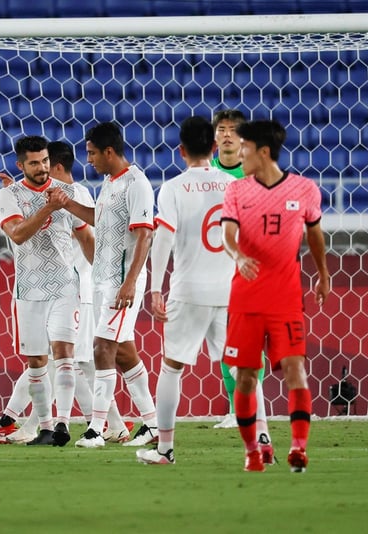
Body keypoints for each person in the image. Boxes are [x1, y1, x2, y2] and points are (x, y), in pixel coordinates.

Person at [0, 141, 131, 445]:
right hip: (28, 290)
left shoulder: (70, 194)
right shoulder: (10, 195)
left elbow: (87, 236)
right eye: (34, 163)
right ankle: (42, 425)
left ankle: (58, 425)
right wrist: (46, 206)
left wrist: (110, 278)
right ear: (21, 166)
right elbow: (17, 234)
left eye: (44, 161)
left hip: (70, 287)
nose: (41, 168)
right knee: (41, 362)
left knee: (68, 358)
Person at [220, 119, 329, 473]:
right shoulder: (237, 191)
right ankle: (253, 450)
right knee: (247, 375)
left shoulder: (305, 190)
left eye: (245, 148)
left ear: (262, 151)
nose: (240, 154)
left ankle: (299, 448)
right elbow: (228, 233)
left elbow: (314, 234)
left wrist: (323, 274)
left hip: (285, 298)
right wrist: (238, 255)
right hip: (247, 299)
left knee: (296, 368)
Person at [48, 122, 157, 448]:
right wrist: (66, 203)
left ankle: (96, 428)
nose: (89, 159)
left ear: (110, 151)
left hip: (121, 283)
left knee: (101, 348)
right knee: (123, 352)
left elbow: (145, 234)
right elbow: (100, 219)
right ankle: (152, 423)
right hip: (103, 280)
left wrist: (130, 282)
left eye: (93, 153)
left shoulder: (137, 183)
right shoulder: (110, 183)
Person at [136, 116, 238, 465]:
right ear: (214, 146)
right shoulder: (234, 185)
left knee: (172, 368)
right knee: (243, 368)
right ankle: (262, 442)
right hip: (229, 292)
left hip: (188, 291)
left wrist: (154, 288)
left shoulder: (173, 188)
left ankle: (165, 450)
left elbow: (162, 237)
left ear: (180, 151)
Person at [211, 109, 265, 430]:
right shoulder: (204, 176)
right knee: (224, 344)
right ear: (214, 137)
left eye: (233, 130)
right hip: (213, 274)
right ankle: (235, 409)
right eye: (222, 129)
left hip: (248, 272)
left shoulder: (255, 177)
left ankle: (250, 408)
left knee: (249, 342)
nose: (227, 135)